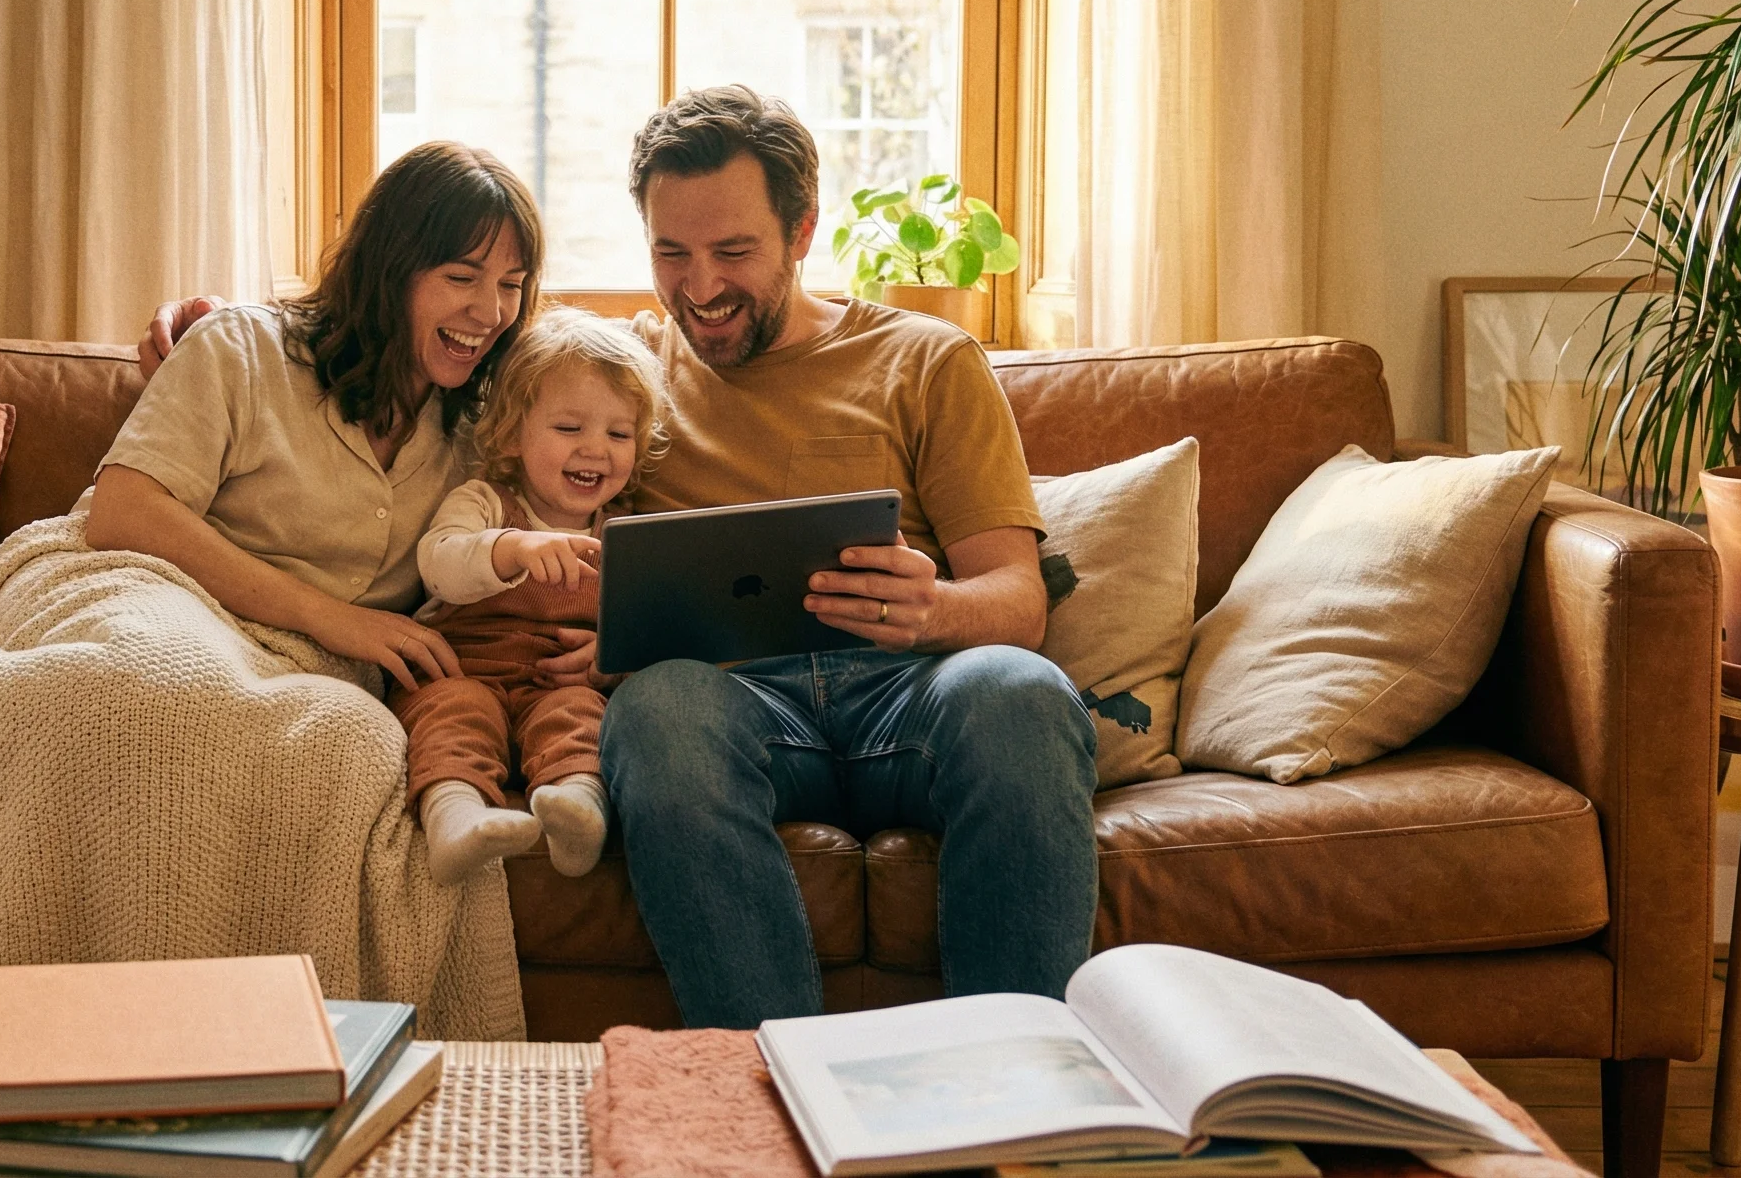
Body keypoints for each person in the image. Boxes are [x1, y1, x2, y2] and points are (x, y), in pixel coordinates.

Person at [139, 86, 1096, 1028]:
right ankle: (767, 1081)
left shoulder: (927, 359)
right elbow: (434, 328)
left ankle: (1017, 1076)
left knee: (1019, 689)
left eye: (734, 252)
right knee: (658, 712)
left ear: (802, 232)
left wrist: (936, 611)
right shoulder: (621, 369)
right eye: (670, 254)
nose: (701, 287)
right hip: (731, 702)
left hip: (903, 693)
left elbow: (1017, 601)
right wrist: (242, 323)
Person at [83, 141, 540, 694]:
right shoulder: (245, 347)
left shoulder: (491, 429)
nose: (491, 312)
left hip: (312, 679)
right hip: (153, 600)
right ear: (390, 270)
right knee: (134, 687)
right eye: (462, 278)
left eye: (511, 285)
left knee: (346, 746)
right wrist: (331, 618)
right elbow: (122, 512)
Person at [398, 309, 669, 886]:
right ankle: (456, 817)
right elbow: (439, 565)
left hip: (559, 687)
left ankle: (578, 811)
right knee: (455, 716)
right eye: (569, 429)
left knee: (581, 718)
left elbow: (655, 632)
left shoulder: (625, 537)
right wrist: (512, 549)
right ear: (513, 435)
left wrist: (611, 664)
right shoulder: (485, 503)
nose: (596, 449)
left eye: (618, 434)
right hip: (463, 675)